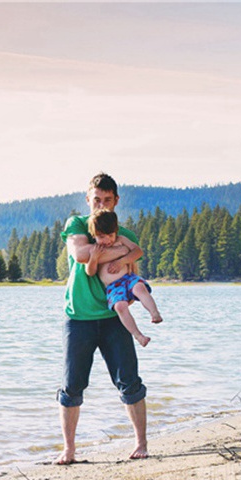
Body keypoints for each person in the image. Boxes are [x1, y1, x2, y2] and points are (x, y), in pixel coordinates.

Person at [55, 172, 148, 465]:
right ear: (88, 199)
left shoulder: (127, 234)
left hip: (114, 318)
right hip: (79, 317)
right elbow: (81, 254)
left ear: (116, 201)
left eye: (107, 200)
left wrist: (113, 252)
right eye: (96, 200)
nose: (102, 206)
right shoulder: (76, 224)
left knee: (129, 381)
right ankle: (69, 450)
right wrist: (117, 250)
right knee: (72, 386)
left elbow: (134, 262)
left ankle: (141, 443)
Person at [86, 210, 163, 347]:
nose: (107, 240)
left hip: (128, 278)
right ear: (94, 235)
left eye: (110, 235)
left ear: (116, 231)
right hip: (113, 287)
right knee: (120, 306)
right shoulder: (95, 249)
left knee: (140, 287)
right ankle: (138, 336)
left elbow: (138, 251)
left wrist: (122, 261)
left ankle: (154, 313)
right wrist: (94, 258)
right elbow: (90, 272)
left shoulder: (121, 240)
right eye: (102, 237)